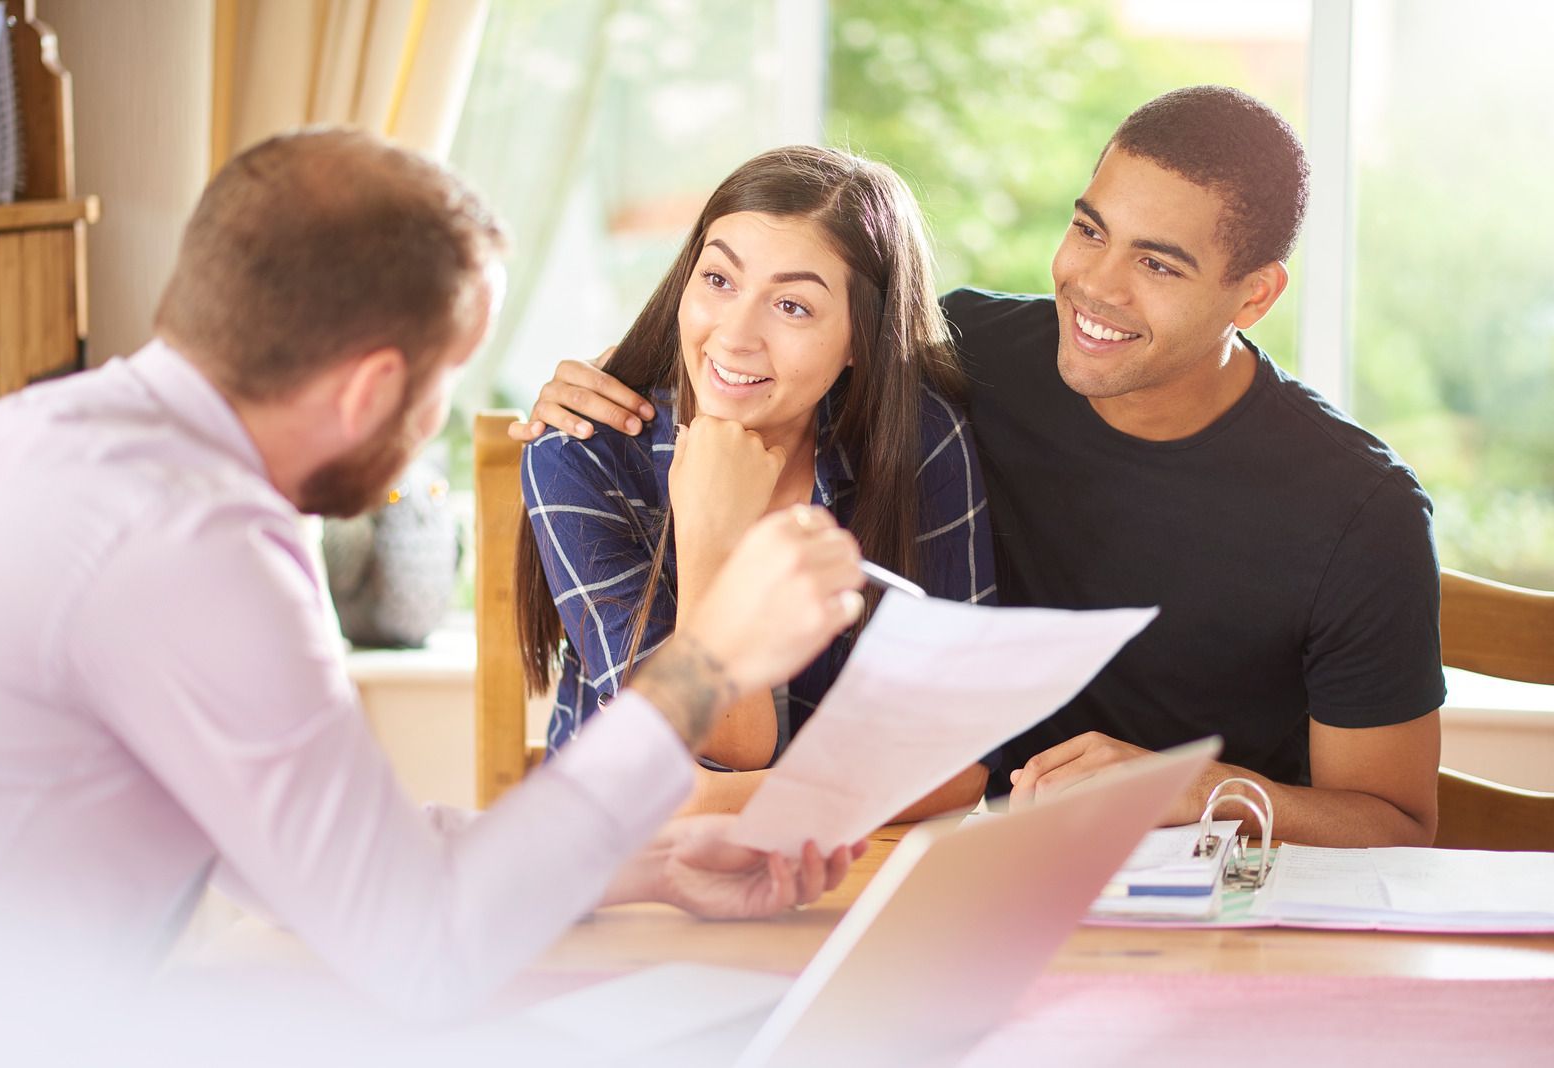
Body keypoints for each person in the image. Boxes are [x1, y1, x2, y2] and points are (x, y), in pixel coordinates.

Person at [0, 128, 867, 1022]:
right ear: (369, 388)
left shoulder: (33, 440)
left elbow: (328, 866)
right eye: (445, 382)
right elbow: (421, 949)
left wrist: (656, 864)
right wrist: (702, 665)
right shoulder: (197, 544)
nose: (434, 424)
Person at [508, 86, 1445, 848]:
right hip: (942, 855)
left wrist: (1194, 786)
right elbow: (756, 339)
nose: (1096, 287)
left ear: (1256, 294)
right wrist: (587, 407)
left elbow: (1398, 825)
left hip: (1187, 885)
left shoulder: (1358, 512)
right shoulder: (962, 365)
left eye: (1157, 265)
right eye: (1089, 230)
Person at [515, 146, 997, 816]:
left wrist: (723, 799)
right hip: (622, 873)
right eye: (718, 280)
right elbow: (720, 746)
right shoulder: (584, 453)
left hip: (843, 865)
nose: (735, 335)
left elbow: (960, 763)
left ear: (862, 335)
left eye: (793, 306)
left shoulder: (916, 442)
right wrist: (715, 534)